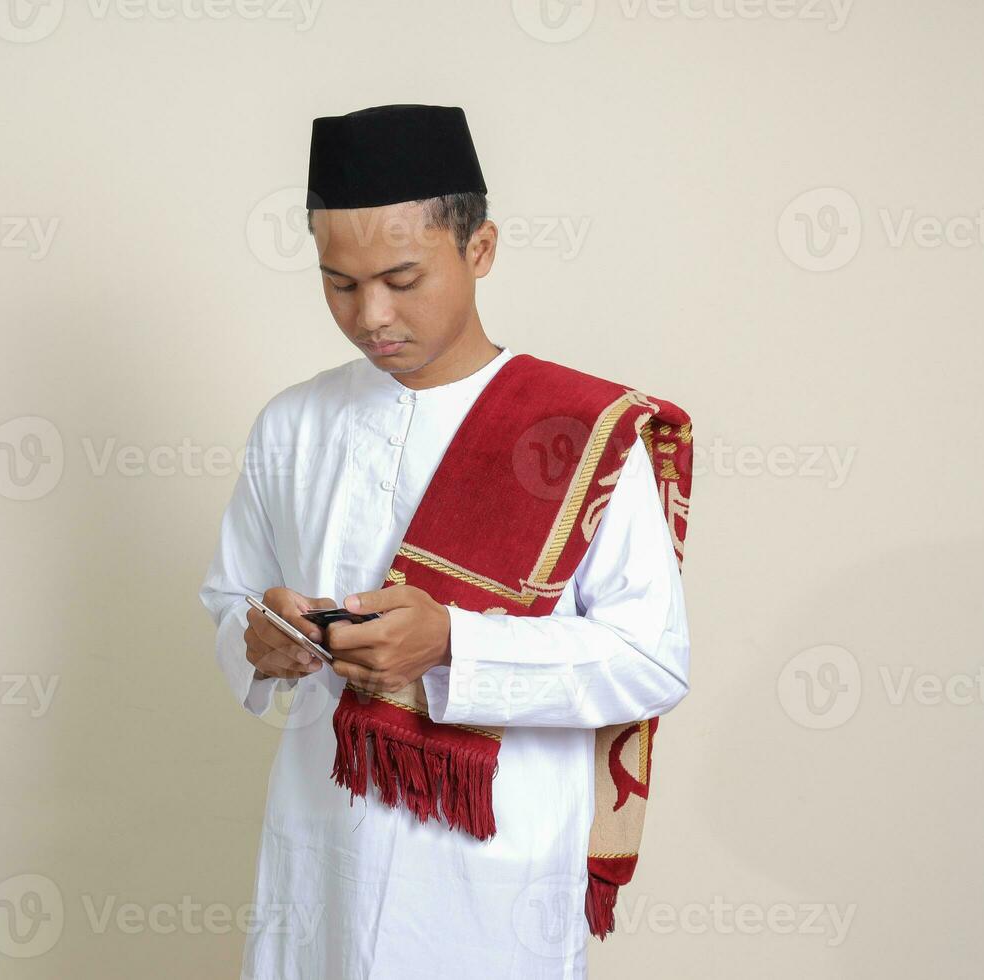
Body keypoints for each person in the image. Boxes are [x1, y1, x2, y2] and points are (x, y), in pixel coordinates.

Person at [198, 104, 692, 980]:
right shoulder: (292, 423)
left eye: (401, 277)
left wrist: (455, 643)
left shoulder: (572, 432)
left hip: (493, 882)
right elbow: (231, 600)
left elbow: (650, 659)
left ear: (481, 250)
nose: (370, 314)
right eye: (340, 284)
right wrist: (260, 640)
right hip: (320, 850)